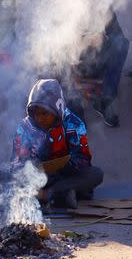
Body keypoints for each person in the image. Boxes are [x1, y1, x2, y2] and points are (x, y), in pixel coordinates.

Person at [12, 79, 103, 209]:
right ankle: (60, 196)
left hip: (65, 176)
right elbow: (15, 162)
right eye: (35, 113)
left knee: (96, 174)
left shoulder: (72, 124)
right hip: (37, 178)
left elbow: (84, 158)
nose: (39, 118)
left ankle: (46, 195)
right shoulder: (25, 127)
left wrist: (68, 166)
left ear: (56, 110)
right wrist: (29, 165)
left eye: (44, 113)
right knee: (5, 176)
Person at [73, 8, 130, 127]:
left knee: (121, 43)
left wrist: (102, 39)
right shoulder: (62, 6)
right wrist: (83, 42)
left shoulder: (101, 5)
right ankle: (73, 108)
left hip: (96, 60)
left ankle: (106, 98)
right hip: (72, 64)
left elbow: (117, 35)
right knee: (58, 59)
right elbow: (56, 45)